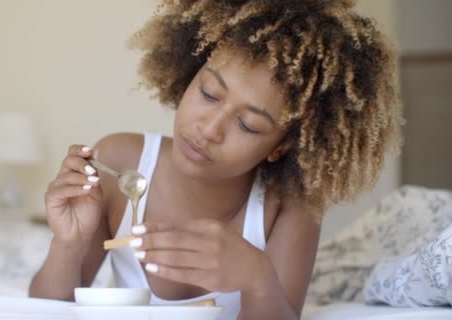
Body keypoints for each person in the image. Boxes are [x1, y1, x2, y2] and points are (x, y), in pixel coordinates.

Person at [29, 0, 403, 319]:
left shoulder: (289, 204)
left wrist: (257, 277)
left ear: (280, 148)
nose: (209, 129)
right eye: (209, 93)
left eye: (248, 124)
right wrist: (67, 244)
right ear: (190, 76)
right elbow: (47, 311)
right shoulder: (119, 161)